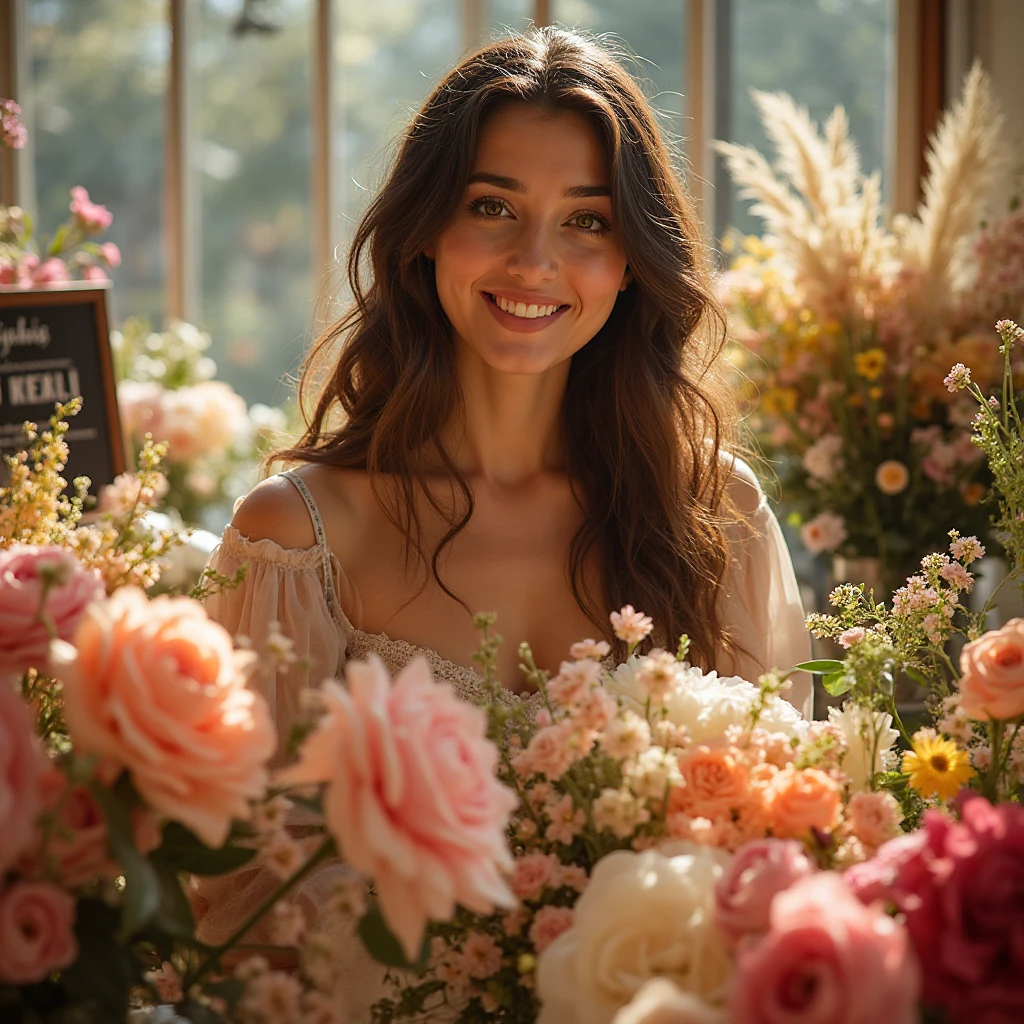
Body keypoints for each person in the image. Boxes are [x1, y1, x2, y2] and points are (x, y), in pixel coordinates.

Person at [196, 26, 811, 1019]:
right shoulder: (297, 540)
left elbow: (774, 853)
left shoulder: (718, 514)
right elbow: (236, 909)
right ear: (425, 229)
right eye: (494, 207)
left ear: (630, 260)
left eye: (586, 221)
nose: (535, 261)